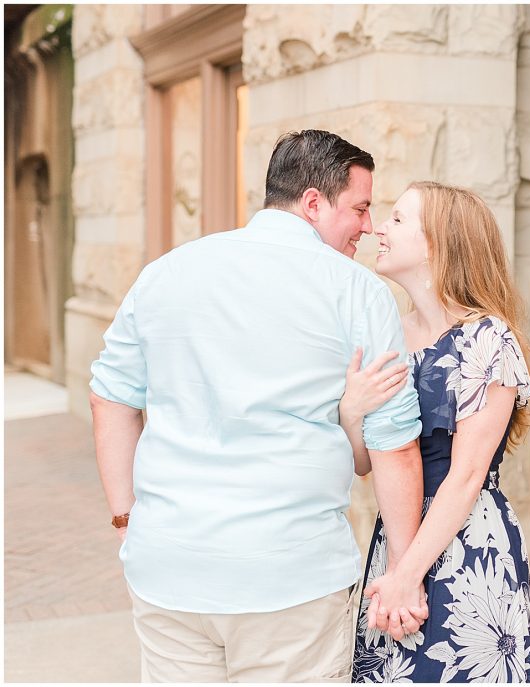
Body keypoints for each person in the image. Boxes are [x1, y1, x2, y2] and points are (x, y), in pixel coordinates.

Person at [89, 130, 428, 682]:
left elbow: (110, 397)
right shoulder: (357, 291)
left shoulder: (165, 273)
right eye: (361, 208)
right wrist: (403, 570)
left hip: (168, 567)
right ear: (313, 203)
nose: (368, 227)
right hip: (291, 577)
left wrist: (127, 519)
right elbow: (396, 447)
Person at [343, 182, 530, 682]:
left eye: (398, 219)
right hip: (396, 532)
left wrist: (406, 576)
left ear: (439, 242)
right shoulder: (386, 335)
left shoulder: (489, 339)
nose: (378, 229)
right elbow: (365, 464)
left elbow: (468, 474)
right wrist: (351, 411)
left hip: (467, 542)